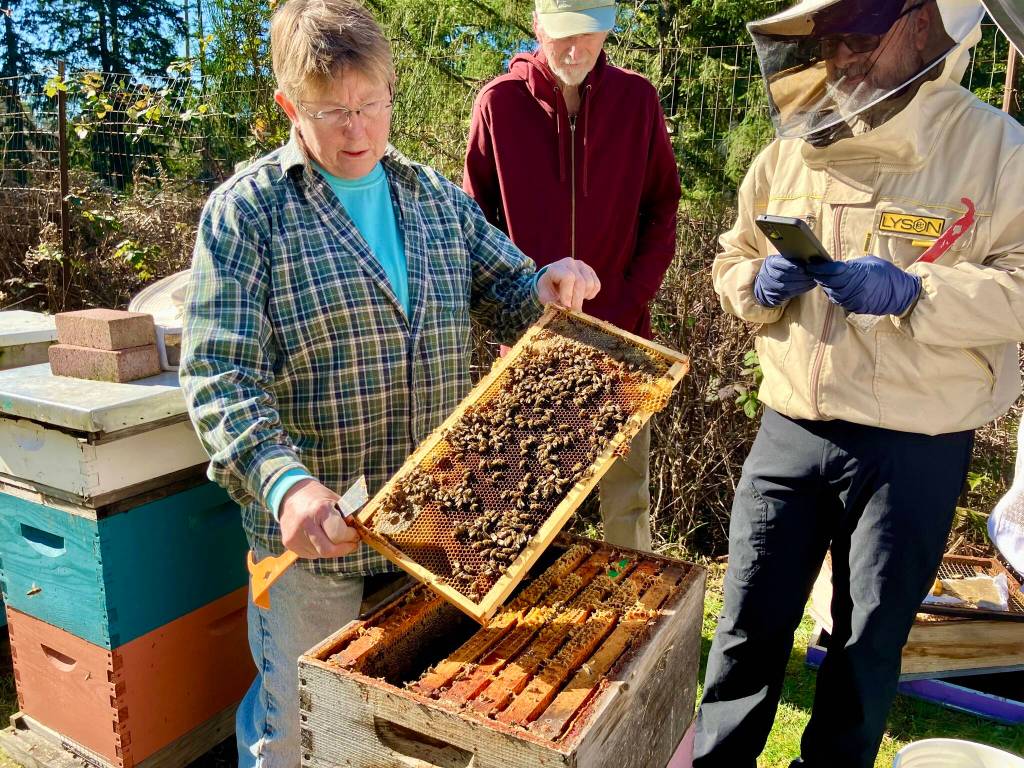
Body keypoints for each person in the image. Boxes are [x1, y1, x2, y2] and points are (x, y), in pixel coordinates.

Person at [179, 2, 600, 767]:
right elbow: (219, 375)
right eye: (333, 111)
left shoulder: (432, 197)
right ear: (288, 106)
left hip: (434, 530)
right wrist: (285, 487)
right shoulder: (246, 215)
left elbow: (505, 284)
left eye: (372, 104)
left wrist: (549, 282)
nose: (358, 130)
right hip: (315, 549)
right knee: (299, 740)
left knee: (417, 733)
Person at [694, 0, 1024, 765]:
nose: (840, 58)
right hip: (790, 428)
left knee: (866, 644)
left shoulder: (998, 149)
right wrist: (756, 283)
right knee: (746, 626)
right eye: (830, 38)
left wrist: (919, 292)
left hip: (915, 445)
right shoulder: (793, 147)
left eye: (859, 37)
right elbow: (731, 255)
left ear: (922, 26)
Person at [463, 0, 681, 552]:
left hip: (622, 337)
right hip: (529, 340)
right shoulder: (499, 104)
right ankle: (522, 622)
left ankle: (631, 614)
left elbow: (662, 208)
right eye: (563, 35)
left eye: (590, 34)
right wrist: (513, 301)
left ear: (607, 30)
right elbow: (472, 224)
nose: (575, 49)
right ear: (537, 26)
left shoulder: (638, 101)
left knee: (626, 499)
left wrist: (629, 298)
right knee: (519, 502)